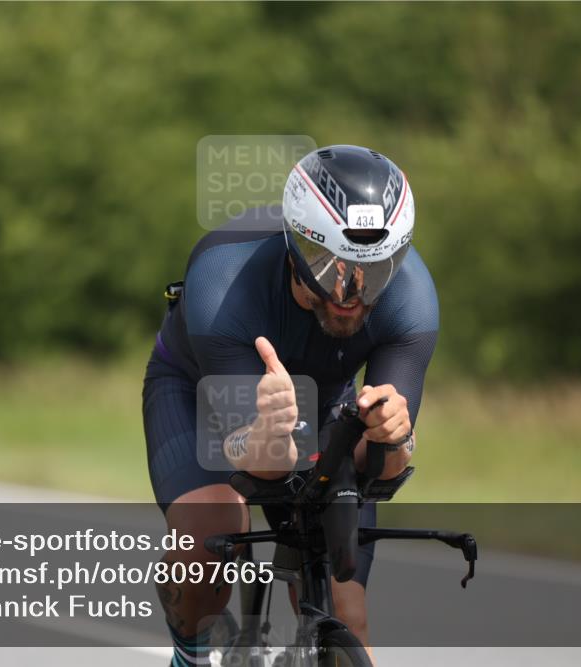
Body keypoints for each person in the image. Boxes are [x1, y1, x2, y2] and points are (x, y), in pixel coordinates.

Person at [143, 144, 438, 666]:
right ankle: (189, 656)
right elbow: (258, 464)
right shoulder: (222, 278)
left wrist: (393, 437)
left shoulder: (411, 298)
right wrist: (271, 431)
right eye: (330, 268)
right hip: (197, 390)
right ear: (296, 247)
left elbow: (381, 472)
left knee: (348, 612)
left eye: (375, 269)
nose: (350, 293)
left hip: (321, 402)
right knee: (211, 531)